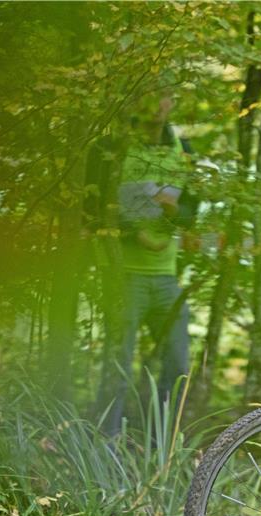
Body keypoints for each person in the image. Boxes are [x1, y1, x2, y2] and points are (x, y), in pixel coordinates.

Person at [96, 88, 196, 438]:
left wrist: (176, 212)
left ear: (172, 102)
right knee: (117, 366)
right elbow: (91, 207)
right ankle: (102, 451)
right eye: (148, 95)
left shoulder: (182, 151)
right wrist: (130, 232)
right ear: (135, 101)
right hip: (124, 276)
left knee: (178, 366)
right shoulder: (115, 148)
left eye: (164, 95)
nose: (156, 103)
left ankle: (158, 451)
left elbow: (193, 212)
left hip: (167, 278)